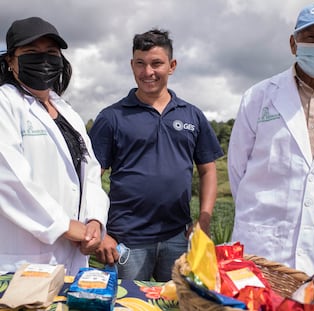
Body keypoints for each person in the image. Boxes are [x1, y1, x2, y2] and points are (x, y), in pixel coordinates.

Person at [228, 3, 314, 276]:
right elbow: (237, 170)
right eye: (311, 37)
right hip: (264, 244)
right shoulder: (258, 97)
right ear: (294, 44)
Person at [89, 28, 224, 281]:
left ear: (172, 66)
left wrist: (203, 219)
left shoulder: (191, 115)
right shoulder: (112, 117)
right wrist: (100, 229)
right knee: (127, 305)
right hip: (127, 240)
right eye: (140, 63)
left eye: (156, 63)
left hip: (177, 237)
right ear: (132, 65)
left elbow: (207, 169)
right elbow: (90, 177)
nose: (148, 72)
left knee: (177, 304)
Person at [0, 17, 109, 275]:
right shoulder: (5, 104)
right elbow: (8, 176)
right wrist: (63, 225)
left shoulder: (66, 111)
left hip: (72, 251)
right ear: (10, 61)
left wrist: (94, 220)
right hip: (24, 258)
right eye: (31, 52)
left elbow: (90, 171)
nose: (43, 60)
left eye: (51, 52)